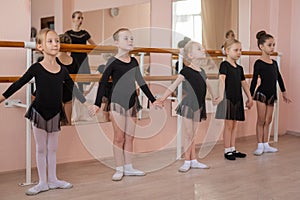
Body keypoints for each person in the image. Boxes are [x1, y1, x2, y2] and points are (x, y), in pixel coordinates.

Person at [0, 28, 90, 195]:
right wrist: (2, 97)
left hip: (56, 112)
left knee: (53, 148)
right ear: (40, 47)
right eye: (50, 41)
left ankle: (53, 179)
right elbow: (19, 83)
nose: (55, 44)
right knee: (41, 148)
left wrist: (87, 104)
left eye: (57, 41)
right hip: (39, 112)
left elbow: (74, 89)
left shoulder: (62, 70)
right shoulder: (36, 68)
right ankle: (42, 182)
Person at [89, 28, 161, 181]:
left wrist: (153, 100)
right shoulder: (112, 62)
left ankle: (129, 167)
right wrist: (96, 104)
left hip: (132, 102)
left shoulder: (134, 61)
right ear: (117, 42)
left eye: (131, 38)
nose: (130, 41)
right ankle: (119, 168)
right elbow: (102, 82)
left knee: (130, 137)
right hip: (117, 103)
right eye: (126, 38)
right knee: (119, 137)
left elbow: (141, 82)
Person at [158, 41, 216, 172]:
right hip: (188, 105)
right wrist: (162, 98)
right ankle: (187, 160)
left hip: (199, 105)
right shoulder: (186, 71)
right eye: (199, 49)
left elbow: (209, 85)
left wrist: (214, 97)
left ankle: (194, 160)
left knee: (193, 134)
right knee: (188, 133)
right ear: (190, 55)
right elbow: (174, 85)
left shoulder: (202, 71)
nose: (203, 50)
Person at [250, 31, 291, 156]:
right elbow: (254, 80)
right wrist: (250, 97)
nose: (272, 47)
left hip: (272, 94)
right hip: (261, 94)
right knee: (261, 120)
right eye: (270, 45)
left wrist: (284, 92)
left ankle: (266, 144)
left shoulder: (274, 63)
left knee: (268, 120)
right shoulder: (258, 63)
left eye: (274, 45)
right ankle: (259, 145)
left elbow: (279, 77)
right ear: (261, 46)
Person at [215, 39, 253, 161]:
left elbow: (244, 84)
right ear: (227, 51)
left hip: (238, 99)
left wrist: (250, 97)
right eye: (236, 50)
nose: (239, 52)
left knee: (235, 125)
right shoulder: (224, 65)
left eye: (240, 50)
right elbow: (221, 80)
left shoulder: (239, 68)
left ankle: (232, 148)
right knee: (228, 125)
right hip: (228, 99)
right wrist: (221, 96)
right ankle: (227, 149)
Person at [65, 11, 96, 92]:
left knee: (82, 82)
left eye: (82, 18)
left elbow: (94, 46)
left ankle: (81, 101)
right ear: (73, 19)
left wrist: (88, 51)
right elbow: (63, 46)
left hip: (83, 59)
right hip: (72, 59)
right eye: (78, 18)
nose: (81, 20)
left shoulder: (85, 33)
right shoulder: (68, 33)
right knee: (71, 81)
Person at [56, 33, 79, 125]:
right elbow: (76, 76)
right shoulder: (73, 60)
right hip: (69, 91)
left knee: (59, 122)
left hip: (58, 91)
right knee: (68, 122)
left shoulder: (55, 60)